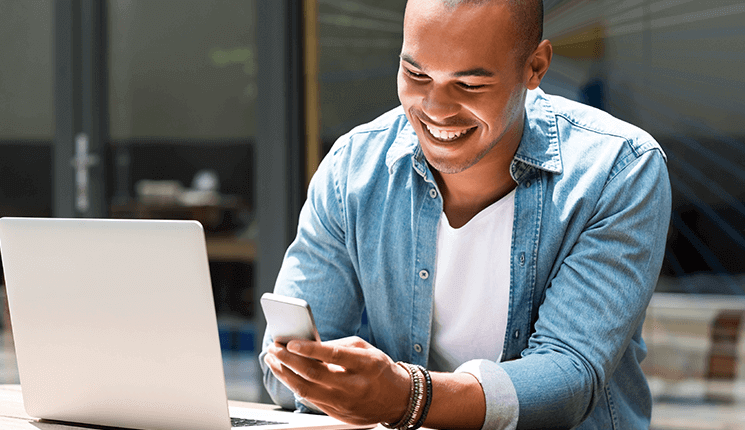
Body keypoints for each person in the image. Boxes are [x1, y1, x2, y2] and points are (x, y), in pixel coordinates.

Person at [260, 0, 671, 428]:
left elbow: (568, 377)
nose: (436, 108)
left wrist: (406, 397)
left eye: (469, 84)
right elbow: (283, 367)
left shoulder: (618, 170)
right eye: (416, 75)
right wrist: (332, 377)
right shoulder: (354, 167)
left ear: (535, 67)